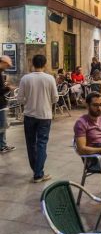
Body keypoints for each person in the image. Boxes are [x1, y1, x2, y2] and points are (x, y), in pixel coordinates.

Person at [17, 54, 59, 183]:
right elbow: (55, 98)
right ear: (45, 64)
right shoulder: (50, 78)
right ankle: (38, 173)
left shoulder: (25, 78)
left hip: (29, 115)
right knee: (41, 144)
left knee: (31, 144)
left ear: (32, 64)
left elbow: (20, 98)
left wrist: (29, 102)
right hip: (45, 116)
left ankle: (37, 171)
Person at [0, 56, 16, 153]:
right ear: (3, 62)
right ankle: (2, 146)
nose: (8, 67)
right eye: (7, 65)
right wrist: (8, 88)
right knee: (2, 126)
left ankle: (2, 145)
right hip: (0, 105)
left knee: (2, 126)